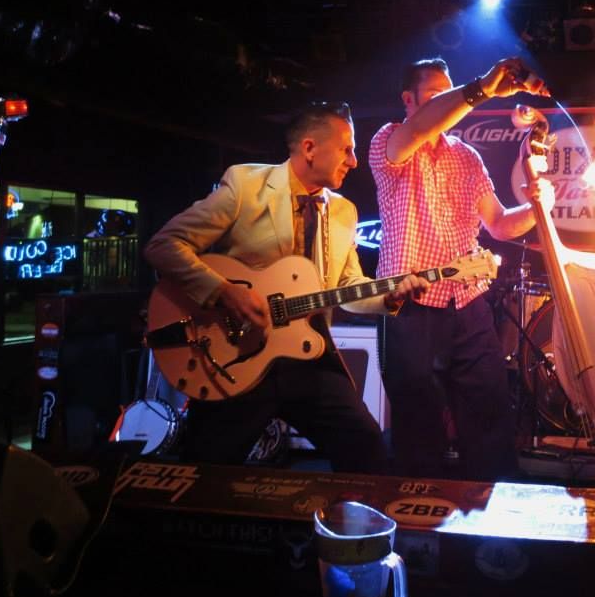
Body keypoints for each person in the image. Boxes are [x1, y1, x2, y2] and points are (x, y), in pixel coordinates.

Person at [144, 101, 429, 471]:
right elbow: (163, 246)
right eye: (346, 149)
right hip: (238, 357)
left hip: (309, 361)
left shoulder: (344, 211)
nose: (354, 161)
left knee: (367, 451)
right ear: (310, 148)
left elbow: (347, 286)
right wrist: (223, 291)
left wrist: (388, 297)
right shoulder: (245, 185)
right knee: (205, 470)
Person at [369, 57, 551, 481]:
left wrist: (538, 205)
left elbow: (500, 224)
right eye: (436, 96)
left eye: (449, 93)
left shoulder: (466, 156)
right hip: (410, 307)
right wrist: (482, 87)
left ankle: (493, 511)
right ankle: (422, 513)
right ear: (408, 99)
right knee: (419, 429)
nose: (447, 103)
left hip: (467, 304)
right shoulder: (390, 140)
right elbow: (421, 128)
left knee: (490, 420)